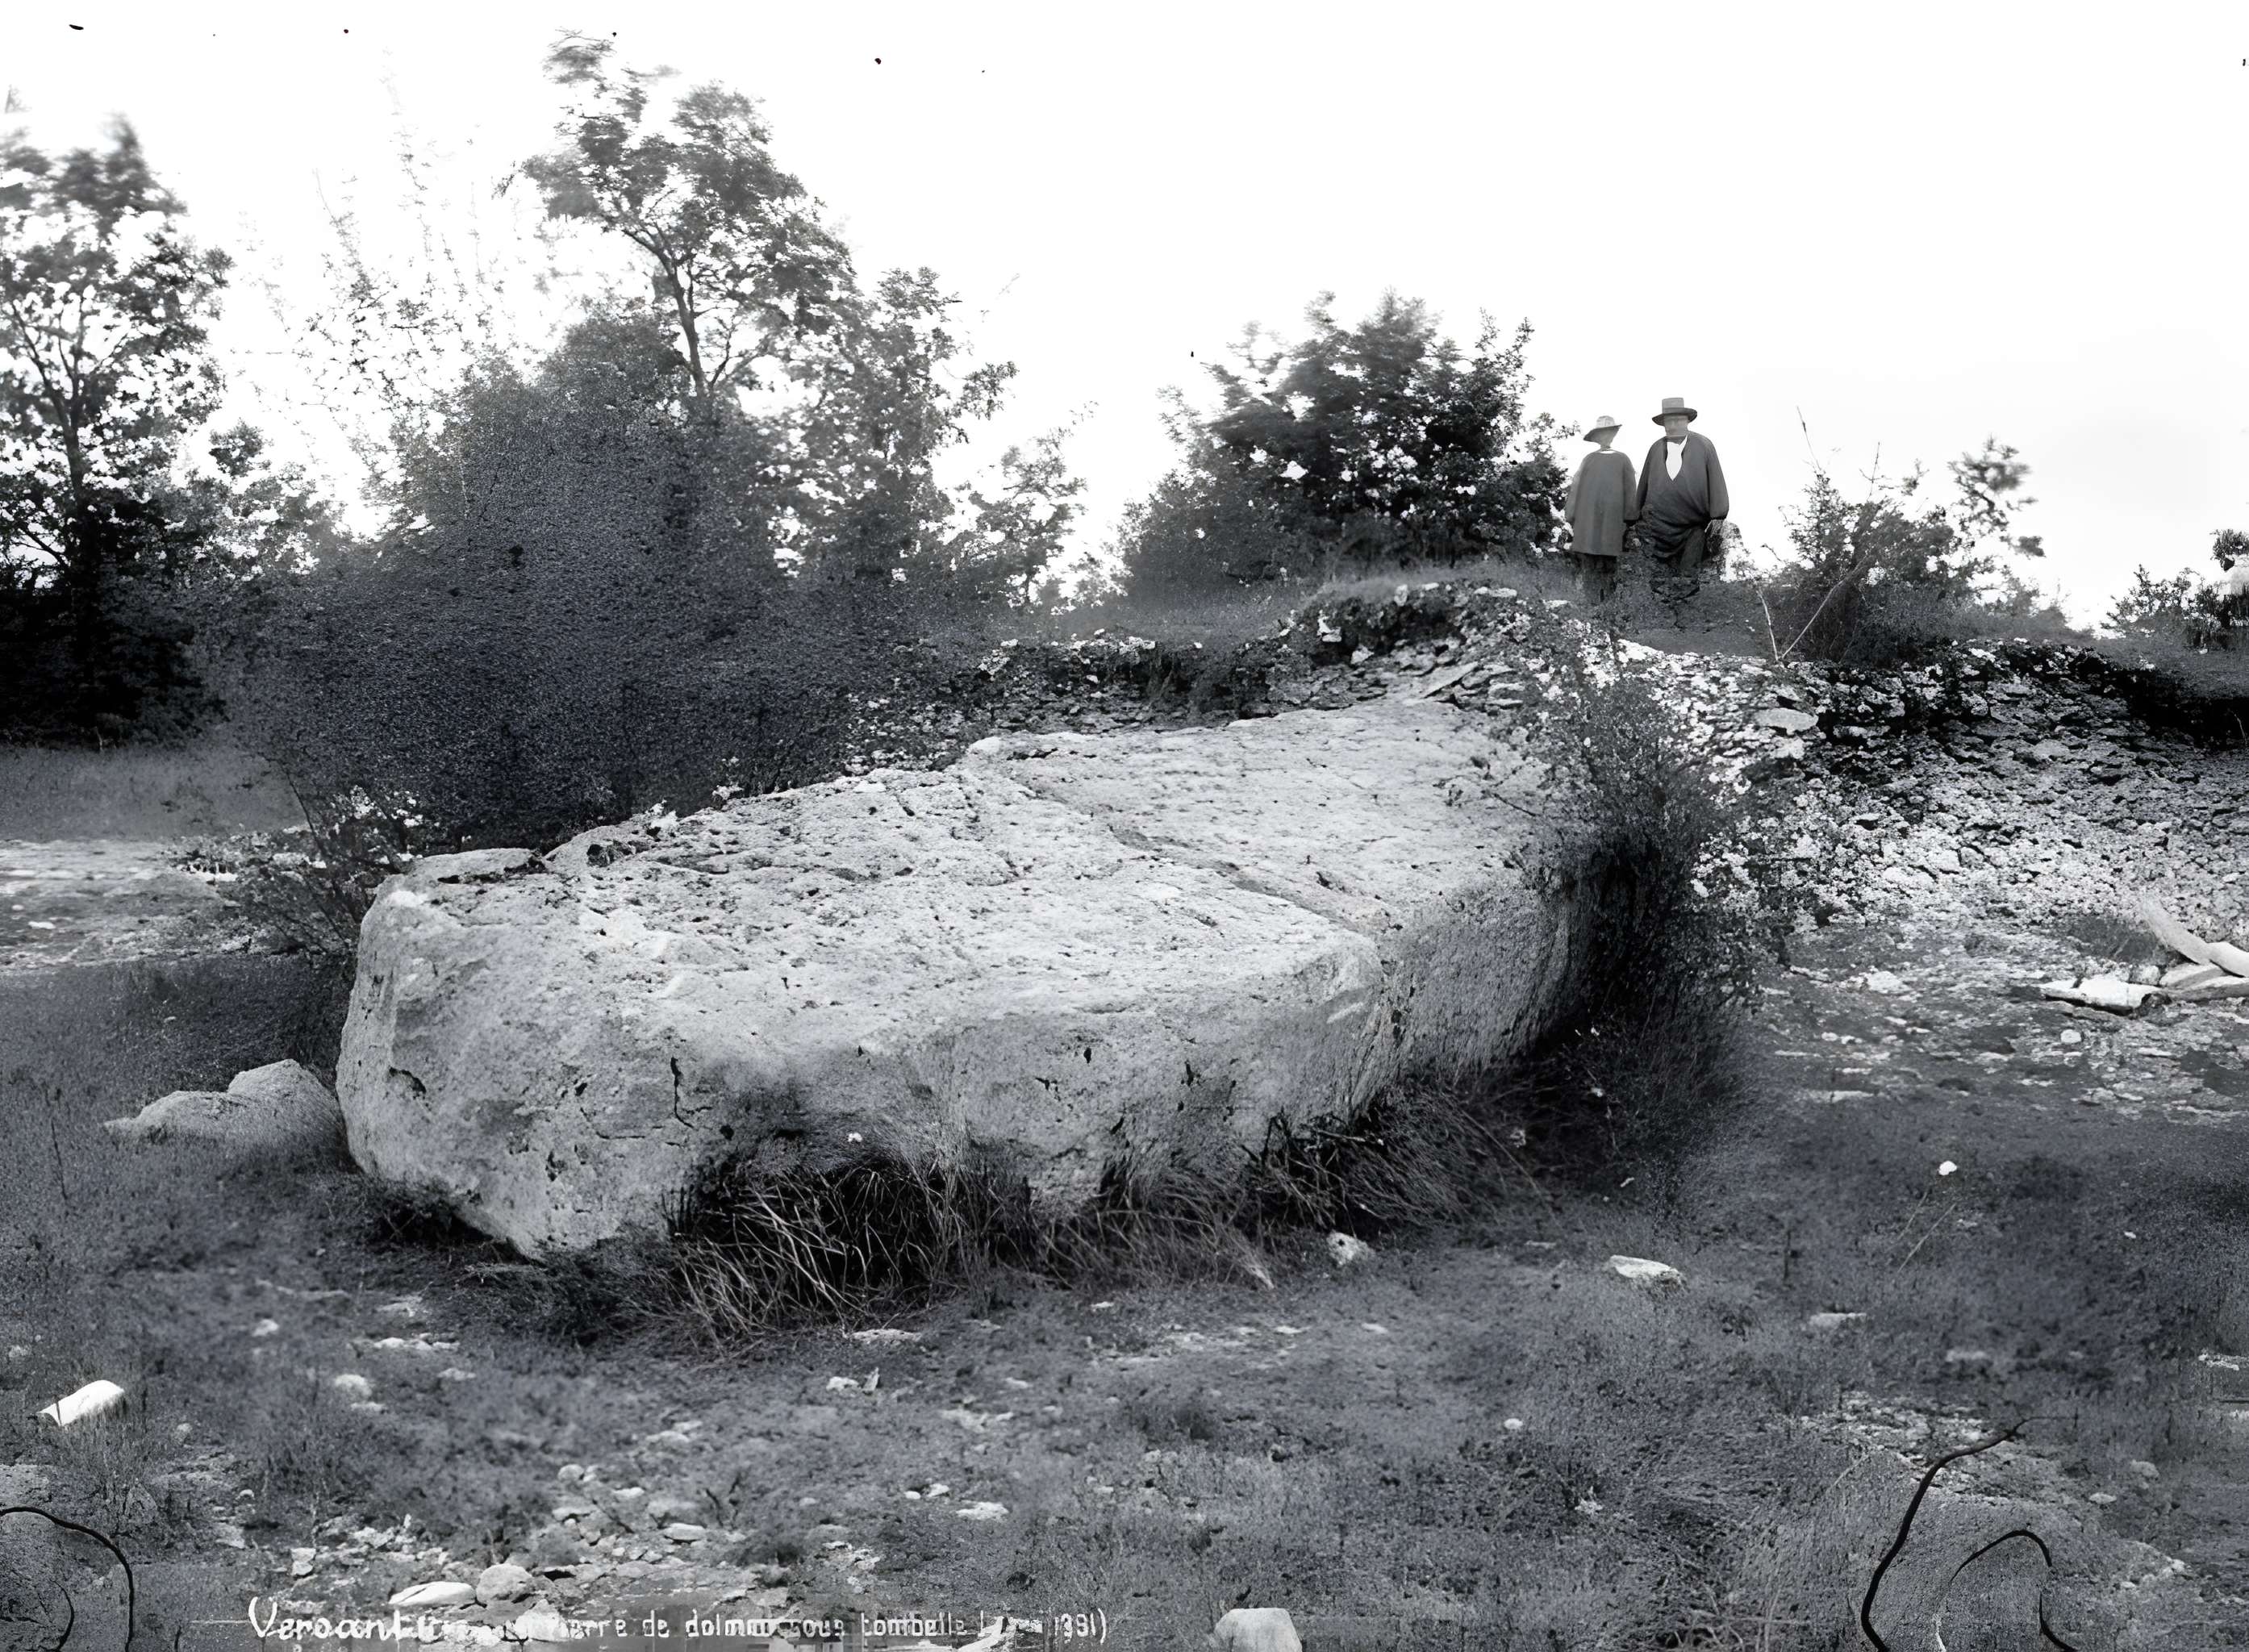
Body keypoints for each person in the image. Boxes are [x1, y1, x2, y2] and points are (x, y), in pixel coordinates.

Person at [1632, 396, 1730, 599]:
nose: (1673, 425)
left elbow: (1716, 479)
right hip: (1656, 526)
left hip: (1691, 524)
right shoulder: (1656, 448)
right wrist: (1632, 515)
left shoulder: (1704, 446)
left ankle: (1686, 583)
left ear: (1687, 421)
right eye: (1669, 421)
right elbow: (1643, 484)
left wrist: (1719, 513)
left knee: (1696, 541)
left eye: (1678, 420)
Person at [1560, 415, 1635, 602]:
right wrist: (1571, 515)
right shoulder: (1589, 460)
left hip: (1613, 519)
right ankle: (1591, 603)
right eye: (1602, 435)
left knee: (1610, 564)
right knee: (1590, 562)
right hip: (1589, 520)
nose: (1605, 438)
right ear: (1596, 438)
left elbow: (1630, 490)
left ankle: (1608, 605)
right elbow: (1576, 488)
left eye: (1609, 433)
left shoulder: (1623, 459)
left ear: (1613, 435)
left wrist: (1630, 517)